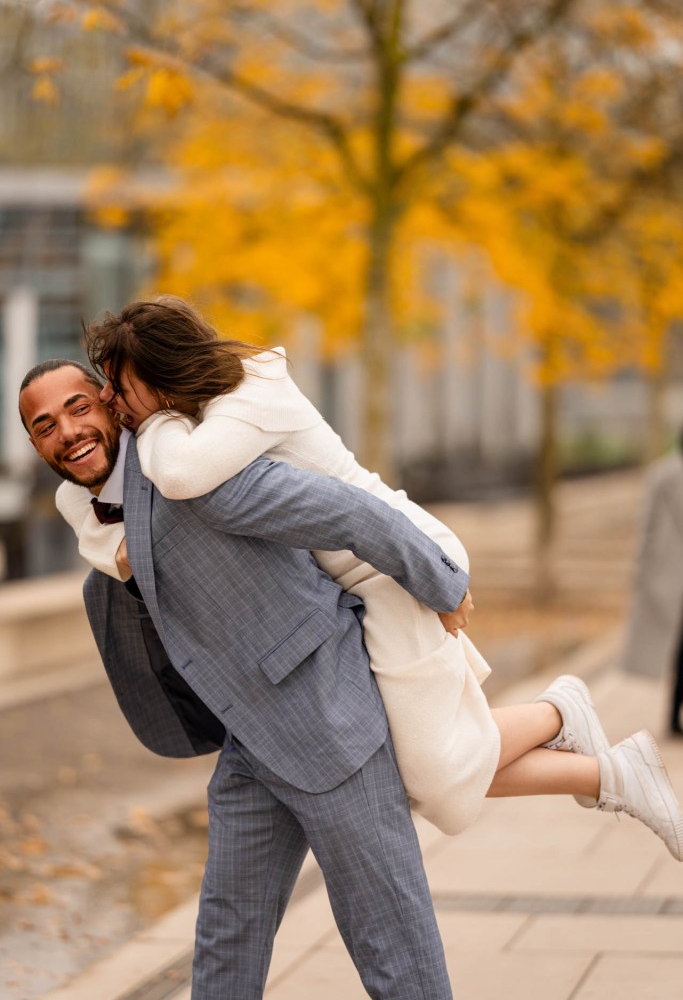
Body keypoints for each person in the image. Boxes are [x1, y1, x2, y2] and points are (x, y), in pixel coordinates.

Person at [18, 362, 683, 999]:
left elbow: (338, 507)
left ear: (110, 399)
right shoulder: (87, 507)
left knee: (391, 945)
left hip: (326, 720)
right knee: (227, 936)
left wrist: (443, 581)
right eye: (44, 425)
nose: (66, 430)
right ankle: (575, 735)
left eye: (77, 407)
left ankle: (568, 727)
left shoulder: (184, 468)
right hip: (249, 744)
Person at [621, 435, 683, 735]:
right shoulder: (663, 475)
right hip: (670, 576)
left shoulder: (661, 473)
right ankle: (673, 716)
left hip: (667, 575)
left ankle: (673, 716)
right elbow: (649, 527)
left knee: (677, 651)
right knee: (676, 650)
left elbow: (647, 527)